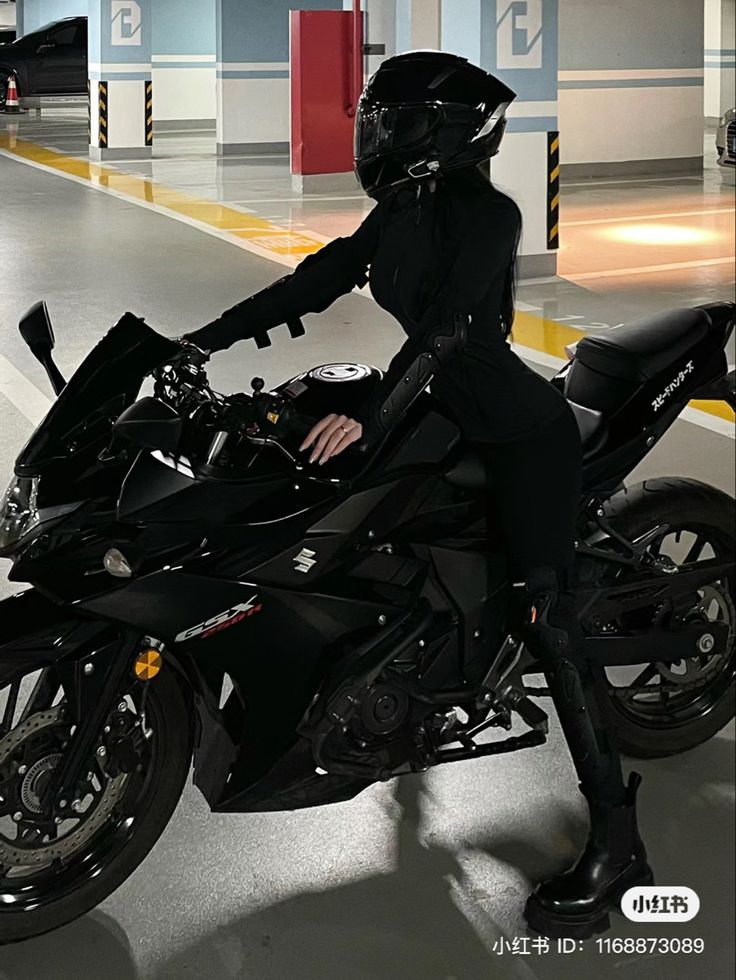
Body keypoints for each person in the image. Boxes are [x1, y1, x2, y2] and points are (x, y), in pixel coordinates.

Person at [184, 51, 652, 938]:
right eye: (378, 119)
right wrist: (194, 344)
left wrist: (370, 412)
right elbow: (317, 278)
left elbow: (446, 334)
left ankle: (619, 844)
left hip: (515, 428)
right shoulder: (405, 205)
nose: (380, 135)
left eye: (394, 121)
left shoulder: (490, 213)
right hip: (437, 408)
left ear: (446, 133)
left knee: (549, 619)